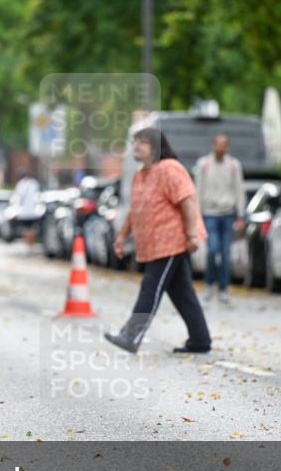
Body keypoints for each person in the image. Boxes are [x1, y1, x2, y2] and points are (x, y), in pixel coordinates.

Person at [105, 128, 212, 354]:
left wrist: (192, 234)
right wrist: (122, 236)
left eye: (142, 143)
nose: (136, 147)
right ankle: (200, 340)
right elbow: (135, 211)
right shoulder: (140, 174)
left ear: (155, 147)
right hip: (152, 245)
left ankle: (131, 335)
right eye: (134, 143)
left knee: (151, 286)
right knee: (182, 294)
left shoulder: (170, 169)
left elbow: (188, 201)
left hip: (171, 241)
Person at [194, 134, 245, 303]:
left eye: (224, 145)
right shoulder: (204, 165)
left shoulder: (233, 165)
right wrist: (197, 214)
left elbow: (239, 189)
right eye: (218, 144)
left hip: (228, 213)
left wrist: (240, 213)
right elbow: (198, 189)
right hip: (209, 213)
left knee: (225, 253)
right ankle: (209, 284)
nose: (221, 148)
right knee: (213, 249)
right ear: (213, 145)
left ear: (227, 147)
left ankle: (223, 288)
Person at [11, 170, 41, 245]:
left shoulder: (20, 184)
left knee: (27, 229)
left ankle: (28, 244)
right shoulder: (33, 183)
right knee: (32, 229)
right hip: (33, 211)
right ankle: (32, 243)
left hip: (24, 211)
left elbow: (18, 197)